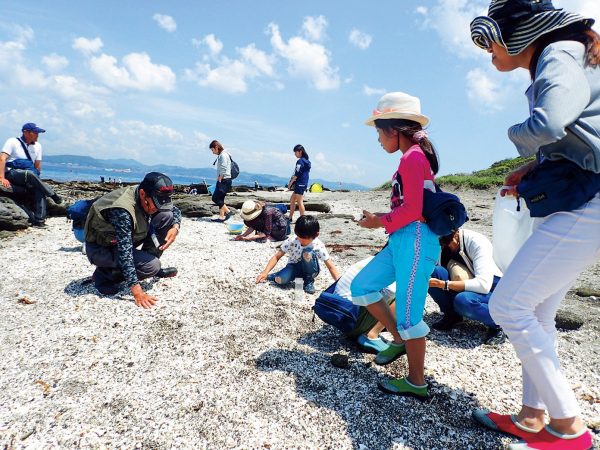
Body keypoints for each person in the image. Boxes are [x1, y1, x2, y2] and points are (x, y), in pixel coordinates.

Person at [469, 1, 599, 448]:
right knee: (538, 309)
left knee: (508, 306)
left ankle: (568, 428)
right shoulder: (569, 51)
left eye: (491, 44)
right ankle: (531, 417)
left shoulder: (558, 52)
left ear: (517, 34)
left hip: (589, 199)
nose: (490, 56)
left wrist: (516, 137)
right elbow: (577, 134)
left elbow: (551, 120)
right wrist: (533, 167)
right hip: (581, 194)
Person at [350, 92, 441, 400]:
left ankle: (417, 383)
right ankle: (400, 339)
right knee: (362, 287)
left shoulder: (414, 157)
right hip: (401, 240)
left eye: (378, 132)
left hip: (416, 240)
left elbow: (414, 210)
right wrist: (383, 222)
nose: (377, 140)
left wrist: (378, 220)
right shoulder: (410, 157)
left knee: (410, 316)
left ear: (393, 129)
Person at [84, 172, 181, 309]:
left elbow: (175, 210)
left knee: (166, 215)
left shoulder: (147, 193)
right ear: (142, 194)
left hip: (125, 239)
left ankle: (148, 260)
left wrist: (175, 228)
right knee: (152, 266)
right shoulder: (122, 210)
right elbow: (125, 252)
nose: (157, 208)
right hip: (101, 248)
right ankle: (104, 275)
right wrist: (137, 292)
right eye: (155, 203)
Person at [428, 228, 506, 345]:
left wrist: (444, 284)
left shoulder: (476, 242)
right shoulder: (439, 243)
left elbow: (484, 285)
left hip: (493, 288)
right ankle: (452, 315)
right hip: (465, 283)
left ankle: (500, 323)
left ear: (456, 233)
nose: (448, 246)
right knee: (431, 272)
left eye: (448, 241)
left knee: (463, 300)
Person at [256, 215, 339, 294]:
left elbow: (330, 266)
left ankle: (308, 281)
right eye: (299, 237)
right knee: (279, 280)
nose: (300, 241)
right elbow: (277, 256)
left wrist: (338, 283)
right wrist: (265, 272)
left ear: (316, 235)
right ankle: (276, 275)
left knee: (307, 252)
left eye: (304, 240)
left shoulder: (318, 245)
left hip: (310, 269)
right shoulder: (292, 240)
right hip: (293, 267)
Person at [0, 123, 62, 227]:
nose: (37, 135)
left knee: (39, 189)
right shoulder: (12, 142)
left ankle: (39, 221)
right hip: (13, 173)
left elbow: (37, 166)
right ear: (25, 132)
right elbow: (2, 159)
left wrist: (37, 180)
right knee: (28, 174)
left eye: (38, 133)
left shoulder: (38, 146)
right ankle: (52, 194)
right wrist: (2, 177)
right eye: (35, 133)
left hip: (30, 176)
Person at [333, 256, 397, 353]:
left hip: (338, 314)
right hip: (353, 319)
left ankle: (374, 326)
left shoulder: (375, 259)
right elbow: (390, 291)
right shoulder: (393, 266)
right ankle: (371, 335)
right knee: (404, 295)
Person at [210, 140, 233, 222]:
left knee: (215, 198)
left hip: (224, 179)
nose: (212, 152)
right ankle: (221, 216)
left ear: (216, 147)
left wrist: (220, 177)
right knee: (221, 199)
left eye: (212, 150)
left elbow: (223, 167)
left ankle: (228, 212)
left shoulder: (223, 155)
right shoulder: (224, 154)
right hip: (226, 180)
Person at [288, 144, 311, 222]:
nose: (295, 154)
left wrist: (290, 183)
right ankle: (290, 217)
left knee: (300, 201)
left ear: (300, 151)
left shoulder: (300, 161)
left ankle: (303, 220)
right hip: (303, 183)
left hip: (300, 183)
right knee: (292, 200)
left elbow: (297, 174)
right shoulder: (307, 161)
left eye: (295, 152)